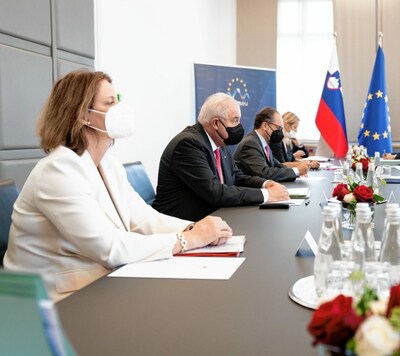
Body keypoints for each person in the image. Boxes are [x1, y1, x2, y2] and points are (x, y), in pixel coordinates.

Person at [2, 70, 233, 302]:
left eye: (118, 99)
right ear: (83, 114)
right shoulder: (57, 171)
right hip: (52, 302)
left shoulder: (108, 164)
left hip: (94, 286)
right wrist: (189, 240)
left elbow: (143, 219)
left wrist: (196, 229)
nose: (120, 108)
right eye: (110, 102)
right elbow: (109, 247)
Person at [152, 93, 290, 221]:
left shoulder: (219, 143)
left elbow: (237, 177)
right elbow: (215, 193)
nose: (239, 126)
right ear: (216, 123)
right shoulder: (188, 144)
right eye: (235, 120)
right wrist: (267, 195)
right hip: (182, 224)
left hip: (213, 216)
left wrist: (265, 184)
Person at [234, 107, 309, 181]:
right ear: (265, 126)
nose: (280, 132)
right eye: (278, 128)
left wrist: (298, 170)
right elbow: (264, 173)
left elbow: (277, 165)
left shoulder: (264, 143)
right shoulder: (250, 143)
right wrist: (296, 171)